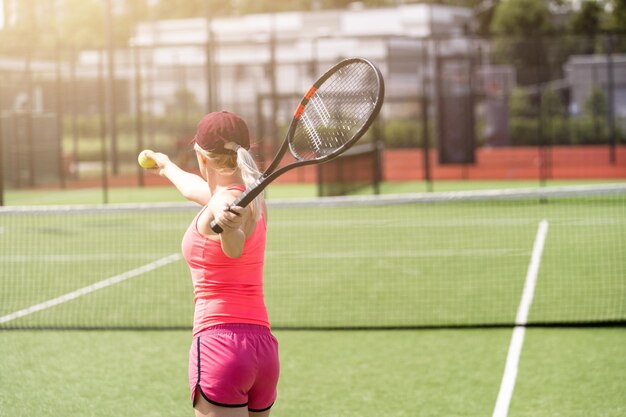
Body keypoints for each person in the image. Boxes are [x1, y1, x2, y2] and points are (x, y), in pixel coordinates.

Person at [146, 111, 279, 417]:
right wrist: (166, 166)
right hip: (264, 353)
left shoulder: (224, 204)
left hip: (221, 347)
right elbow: (196, 189)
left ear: (201, 156)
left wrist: (229, 227)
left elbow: (232, 246)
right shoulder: (254, 201)